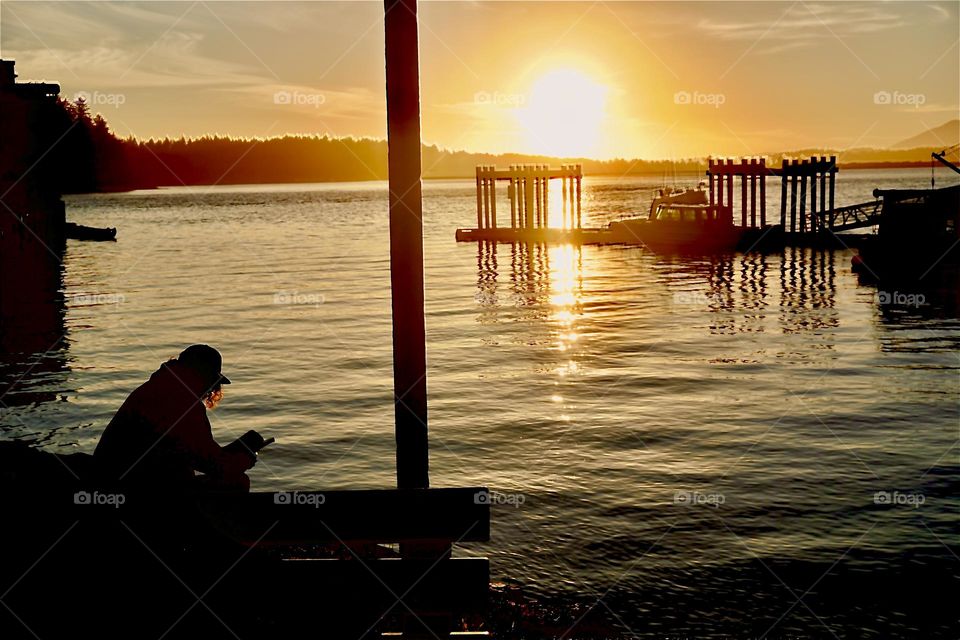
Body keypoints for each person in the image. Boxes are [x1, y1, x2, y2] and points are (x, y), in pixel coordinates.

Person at [94, 344, 258, 492]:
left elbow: (193, 452)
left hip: (112, 476)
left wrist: (227, 456)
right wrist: (245, 459)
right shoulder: (183, 400)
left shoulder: (160, 386)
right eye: (213, 381)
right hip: (137, 487)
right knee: (237, 482)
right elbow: (212, 464)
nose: (212, 389)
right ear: (206, 375)